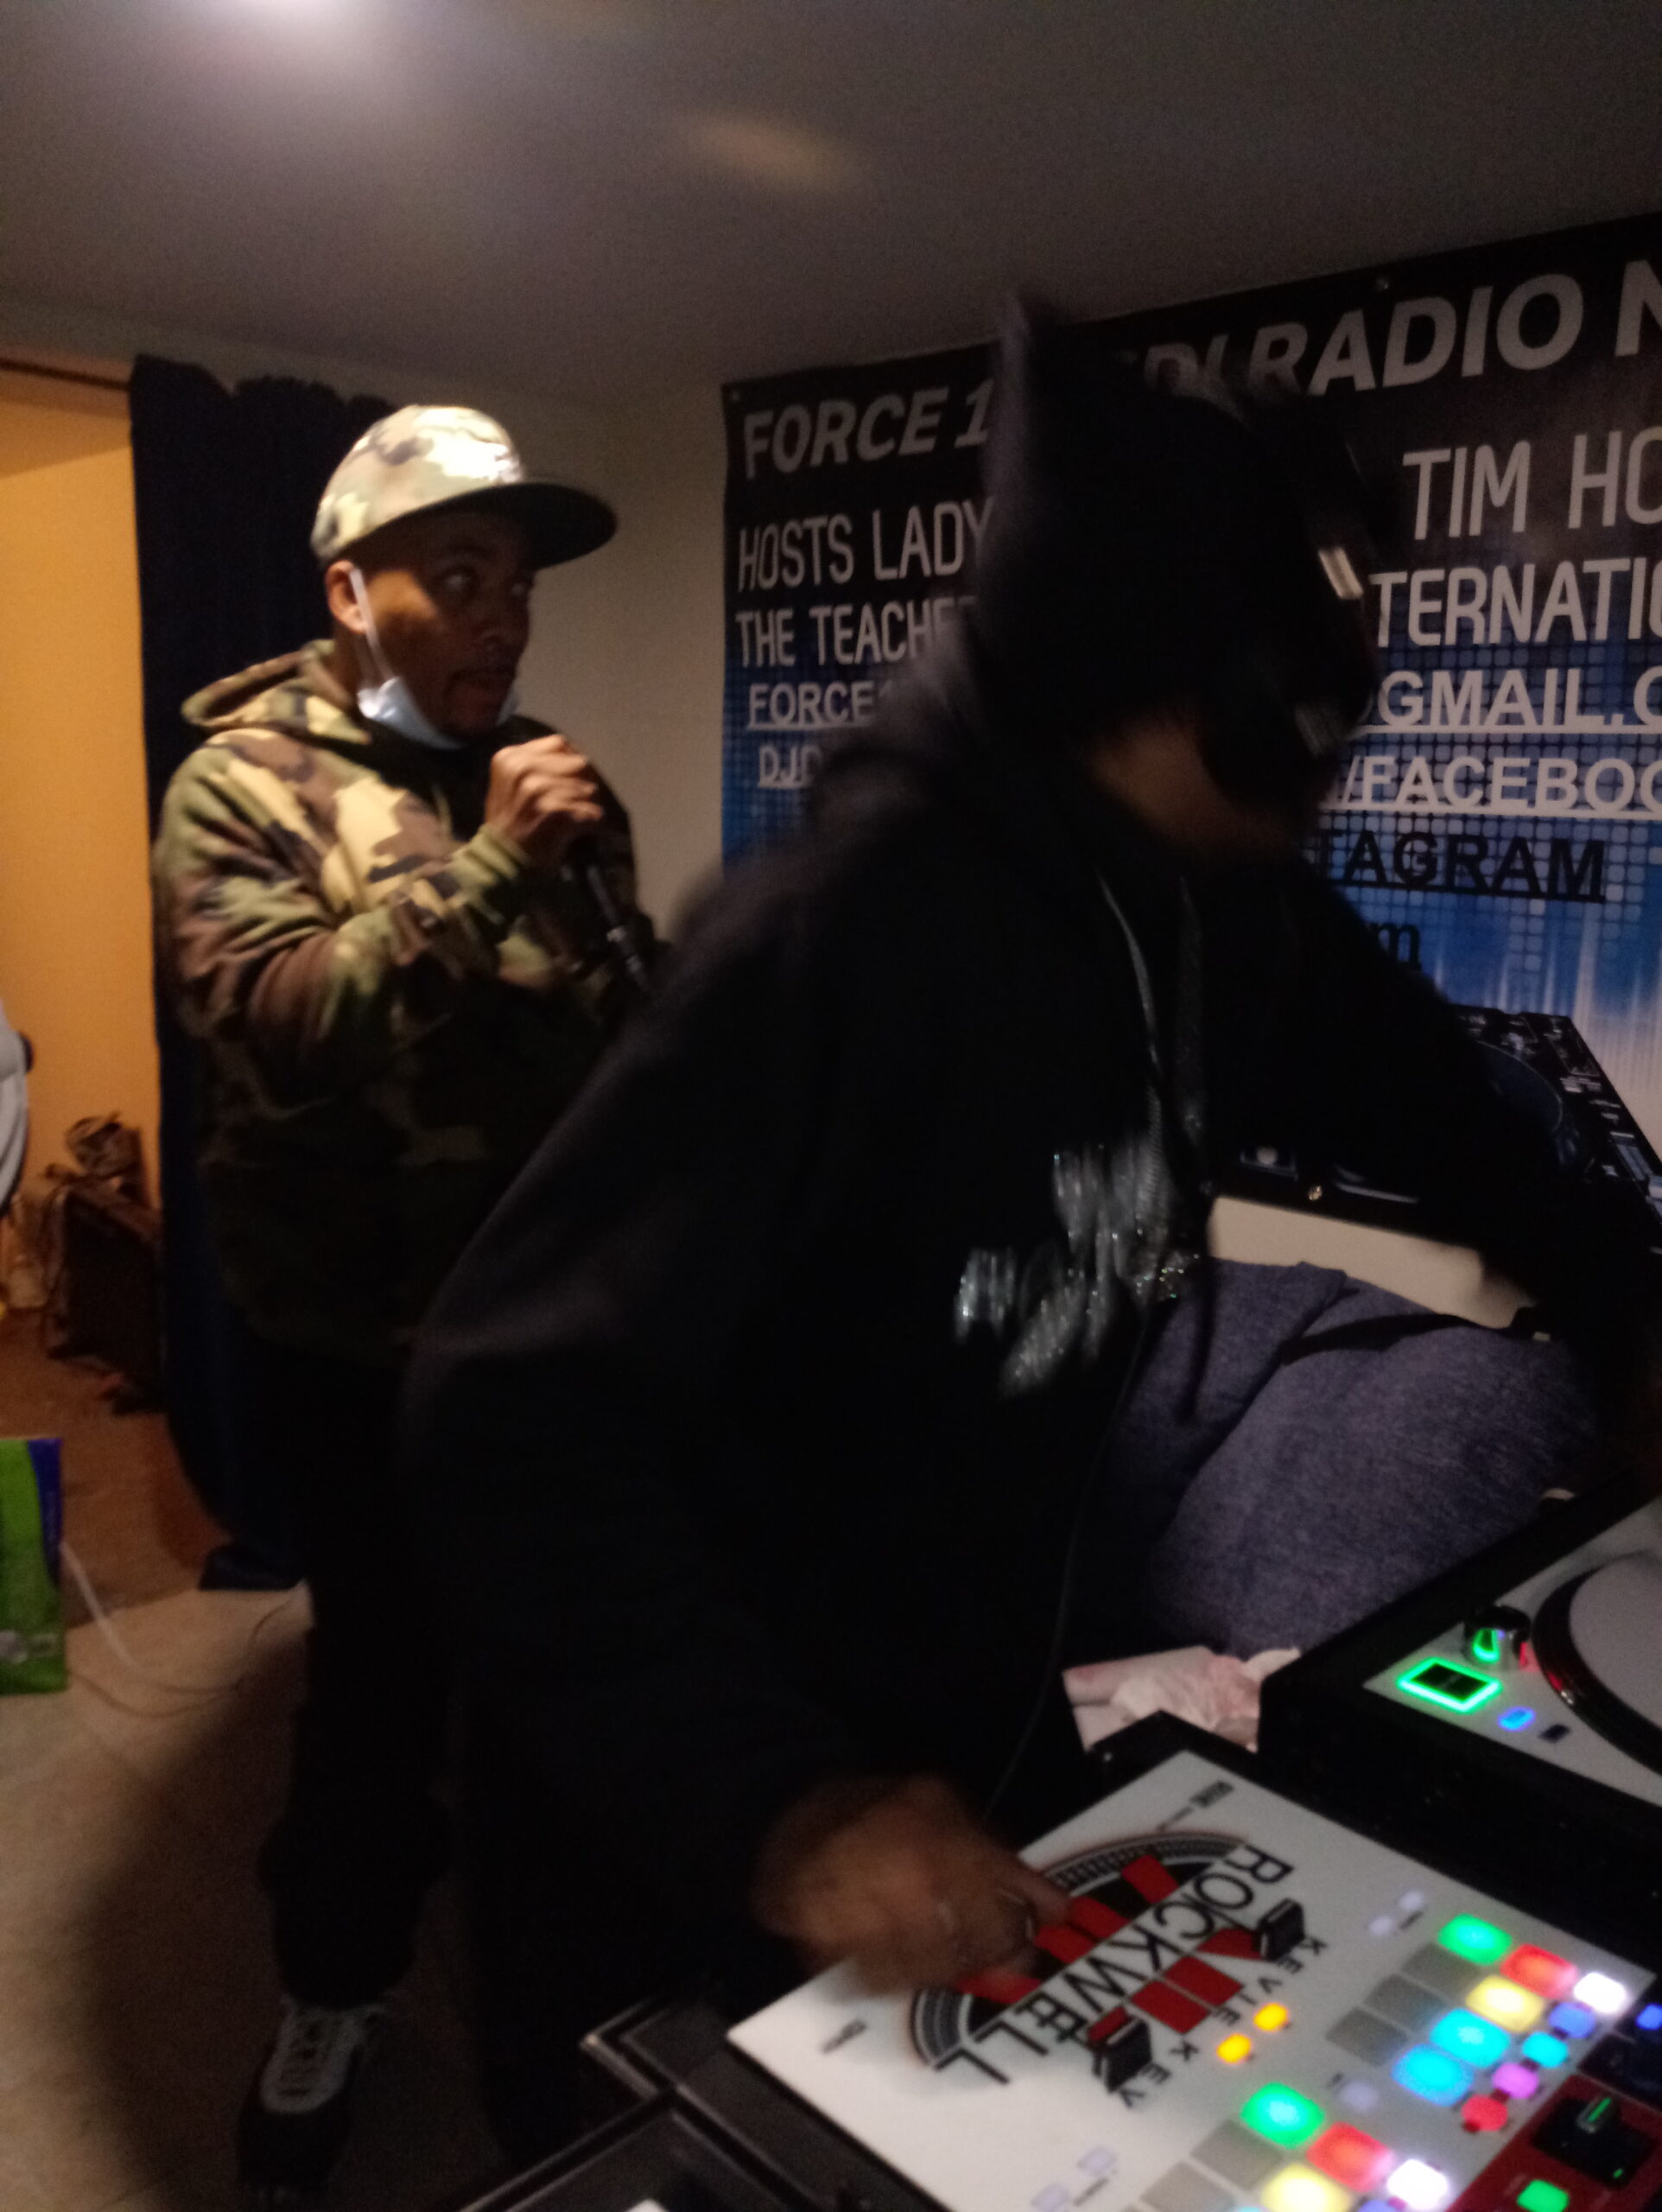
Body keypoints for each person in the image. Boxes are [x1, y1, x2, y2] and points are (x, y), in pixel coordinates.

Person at [405, 314, 1661, 2155]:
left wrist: (1633, 1313)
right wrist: (785, 1807)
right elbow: (500, 1411)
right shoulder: (833, 937)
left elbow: (1445, 1115)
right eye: (1281, 731)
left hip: (962, 1710)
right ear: (1147, 688)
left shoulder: (1214, 898)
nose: (1307, 794)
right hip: (692, 1769)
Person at [152, 404, 655, 2202]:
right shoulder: (239, 787)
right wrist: (494, 864)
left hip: (552, 1342)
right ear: (350, 593)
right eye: (459, 574)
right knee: (377, 1692)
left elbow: (624, 1021)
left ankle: (558, 2009)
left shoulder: (556, 779)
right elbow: (276, 1030)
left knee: (550, 1688)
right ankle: (332, 1990)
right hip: (358, 1348)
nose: (503, 615)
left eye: (517, 584)